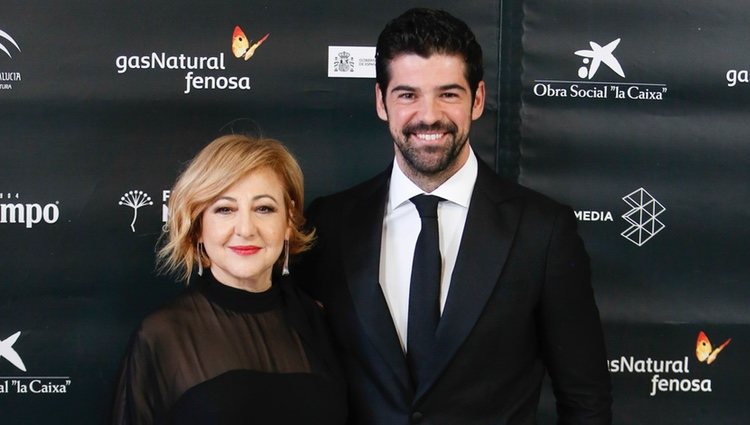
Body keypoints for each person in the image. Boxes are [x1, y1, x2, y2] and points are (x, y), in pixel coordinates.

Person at [298, 8, 612, 424]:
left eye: (448, 93)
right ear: (381, 102)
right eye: (408, 94)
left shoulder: (543, 231)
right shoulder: (331, 223)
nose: (428, 115)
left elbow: (584, 398)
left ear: (477, 99)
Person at [112, 135, 346, 424]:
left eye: (264, 208)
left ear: (288, 222)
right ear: (198, 227)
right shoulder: (162, 336)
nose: (246, 229)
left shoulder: (318, 321)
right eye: (225, 209)